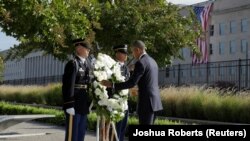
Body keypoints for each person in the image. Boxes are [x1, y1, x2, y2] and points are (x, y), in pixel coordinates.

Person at [102, 40, 163, 125]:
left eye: (133, 52)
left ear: (137, 50)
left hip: (146, 103)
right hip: (155, 102)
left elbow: (132, 83)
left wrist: (112, 85)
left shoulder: (141, 63)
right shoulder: (153, 61)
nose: (132, 55)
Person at [62, 38, 92, 141]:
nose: (88, 51)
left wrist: (89, 103)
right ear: (79, 48)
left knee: (81, 134)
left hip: (83, 104)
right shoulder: (73, 63)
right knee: (72, 135)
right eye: (86, 48)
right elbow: (68, 85)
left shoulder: (87, 64)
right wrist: (69, 104)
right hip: (74, 104)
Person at [112, 44, 130, 141]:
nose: (126, 55)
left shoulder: (126, 68)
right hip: (115, 101)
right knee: (115, 128)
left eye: (126, 53)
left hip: (124, 102)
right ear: (117, 54)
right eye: (123, 53)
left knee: (123, 126)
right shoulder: (113, 67)